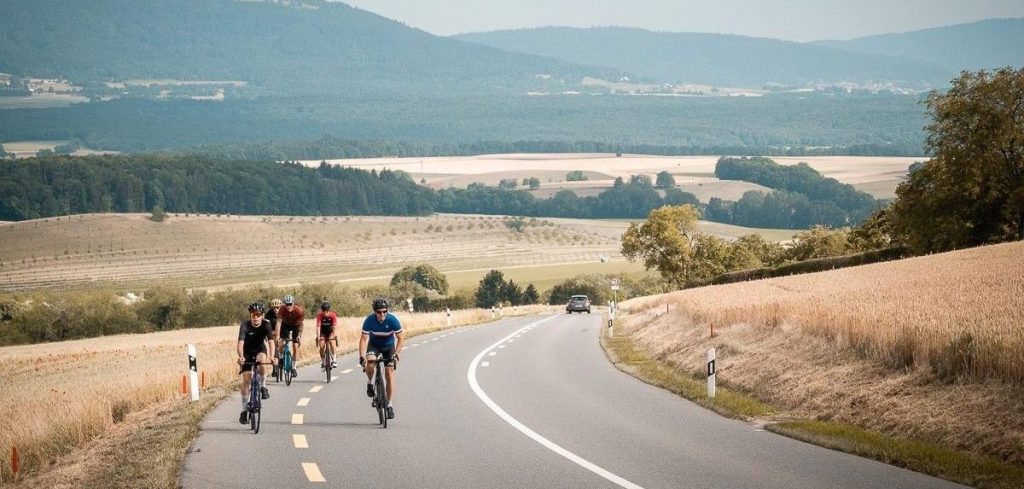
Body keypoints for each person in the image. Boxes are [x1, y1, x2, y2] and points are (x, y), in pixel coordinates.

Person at [359, 297, 404, 420]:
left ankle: (389, 404)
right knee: (370, 363)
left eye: (384, 311)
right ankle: (370, 382)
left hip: (389, 347)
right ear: (374, 312)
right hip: (374, 346)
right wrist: (362, 356)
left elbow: (400, 338)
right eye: (379, 312)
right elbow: (363, 339)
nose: (382, 314)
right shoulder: (369, 321)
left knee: (389, 375)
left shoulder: (393, 320)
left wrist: (397, 353)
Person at [238, 302, 275, 424]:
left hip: (260, 350)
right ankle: (244, 411)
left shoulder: (266, 324)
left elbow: (270, 342)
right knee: (246, 379)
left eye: (258, 315)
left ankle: (263, 386)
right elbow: (240, 343)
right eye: (253, 315)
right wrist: (241, 357)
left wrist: (273, 357)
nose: (255, 317)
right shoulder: (245, 325)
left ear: (262, 316)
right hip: (247, 352)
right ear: (250, 315)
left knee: (261, 361)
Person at [276, 294, 304, 378]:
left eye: (290, 304)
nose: (288, 307)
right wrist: (277, 335)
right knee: (281, 342)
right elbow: (278, 323)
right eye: (286, 304)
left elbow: (301, 325)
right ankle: (281, 357)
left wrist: (299, 336)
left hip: (296, 326)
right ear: (284, 304)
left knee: (295, 346)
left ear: (293, 304)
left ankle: (294, 368)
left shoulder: (299, 310)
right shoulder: (282, 309)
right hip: (285, 325)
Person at [316, 301, 339, 370]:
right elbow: (318, 327)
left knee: (332, 341)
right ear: (322, 310)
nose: (325, 312)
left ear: (329, 310)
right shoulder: (319, 316)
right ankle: (323, 362)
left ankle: (334, 360)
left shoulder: (333, 315)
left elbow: (334, 327)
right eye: (323, 311)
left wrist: (334, 335)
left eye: (327, 311)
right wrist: (318, 337)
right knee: (322, 346)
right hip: (322, 332)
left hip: (330, 331)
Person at [265, 298, 282, 377]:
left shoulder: (283, 313)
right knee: (274, 348)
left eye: (278, 308)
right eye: (274, 308)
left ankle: (283, 356)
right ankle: (275, 368)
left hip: (282, 331)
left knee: (283, 345)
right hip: (272, 332)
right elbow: (266, 326)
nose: (276, 309)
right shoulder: (268, 314)